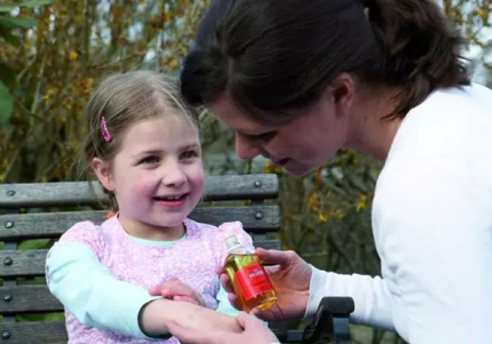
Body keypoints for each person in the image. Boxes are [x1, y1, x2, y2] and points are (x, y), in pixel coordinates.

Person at [168, 0, 492, 343]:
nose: (242, 151)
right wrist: (319, 289)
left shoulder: (421, 188)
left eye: (263, 132)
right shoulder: (470, 108)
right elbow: (445, 303)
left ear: (339, 93)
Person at [45, 71, 255, 343]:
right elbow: (94, 295)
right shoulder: (83, 248)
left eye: (188, 154)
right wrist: (177, 316)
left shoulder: (229, 246)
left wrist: (202, 314)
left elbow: (246, 329)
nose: (176, 176)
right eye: (151, 159)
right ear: (106, 173)